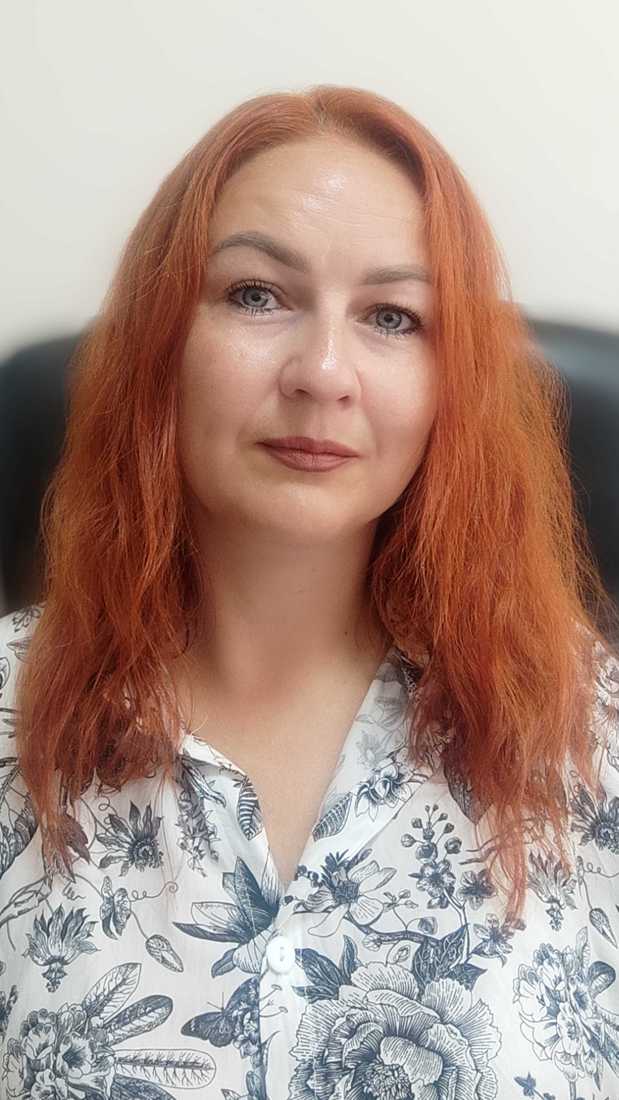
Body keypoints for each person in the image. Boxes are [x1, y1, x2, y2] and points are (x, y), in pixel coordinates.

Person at [1, 84, 618, 1100]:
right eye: (256, 295)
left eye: (392, 316)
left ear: (453, 384)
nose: (324, 372)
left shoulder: (586, 736)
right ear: (159, 339)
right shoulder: (12, 707)